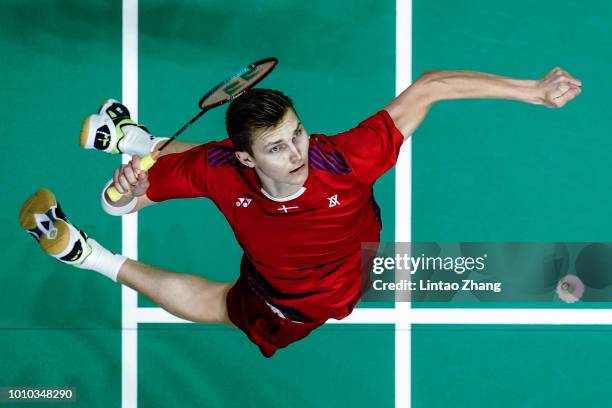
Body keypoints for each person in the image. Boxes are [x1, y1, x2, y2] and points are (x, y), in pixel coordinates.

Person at [19, 67, 582, 357]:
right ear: (248, 154)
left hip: (319, 254)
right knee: (221, 305)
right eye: (277, 147)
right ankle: (87, 255)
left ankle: (133, 136)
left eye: (298, 134)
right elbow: (123, 202)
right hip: (293, 299)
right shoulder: (223, 169)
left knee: (201, 166)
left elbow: (431, 87)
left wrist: (532, 90)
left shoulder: (338, 160)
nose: (298, 154)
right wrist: (119, 192)